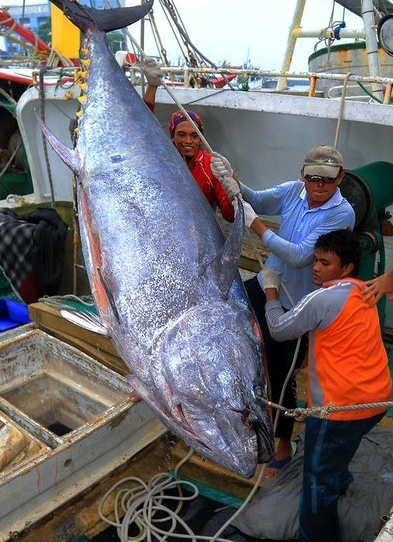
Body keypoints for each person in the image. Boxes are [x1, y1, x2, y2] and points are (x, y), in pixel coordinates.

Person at [210, 146, 356, 474]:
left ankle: (283, 440)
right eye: (313, 177)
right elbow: (256, 199)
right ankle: (241, 412)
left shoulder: (341, 214)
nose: (319, 185)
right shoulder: (293, 191)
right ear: (301, 174)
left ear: (341, 178)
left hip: (297, 300)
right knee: (228, 322)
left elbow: (300, 256)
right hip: (266, 283)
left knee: (282, 373)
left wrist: (257, 226)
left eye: (328, 180)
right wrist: (233, 180)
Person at [260, 230, 392, 542]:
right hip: (376, 401)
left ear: (345, 266)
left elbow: (279, 329)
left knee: (317, 480)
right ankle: (340, 477)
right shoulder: (364, 291)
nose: (315, 268)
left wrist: (270, 289)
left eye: (324, 262)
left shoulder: (320, 300)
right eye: (315, 260)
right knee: (335, 459)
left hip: (339, 410)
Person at [141, 57, 235, 222]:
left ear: (201, 140)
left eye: (194, 136)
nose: (188, 141)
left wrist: (235, 188)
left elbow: (229, 215)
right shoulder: (162, 159)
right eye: (181, 134)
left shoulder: (210, 165)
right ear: (172, 136)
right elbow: (142, 127)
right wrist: (152, 86)